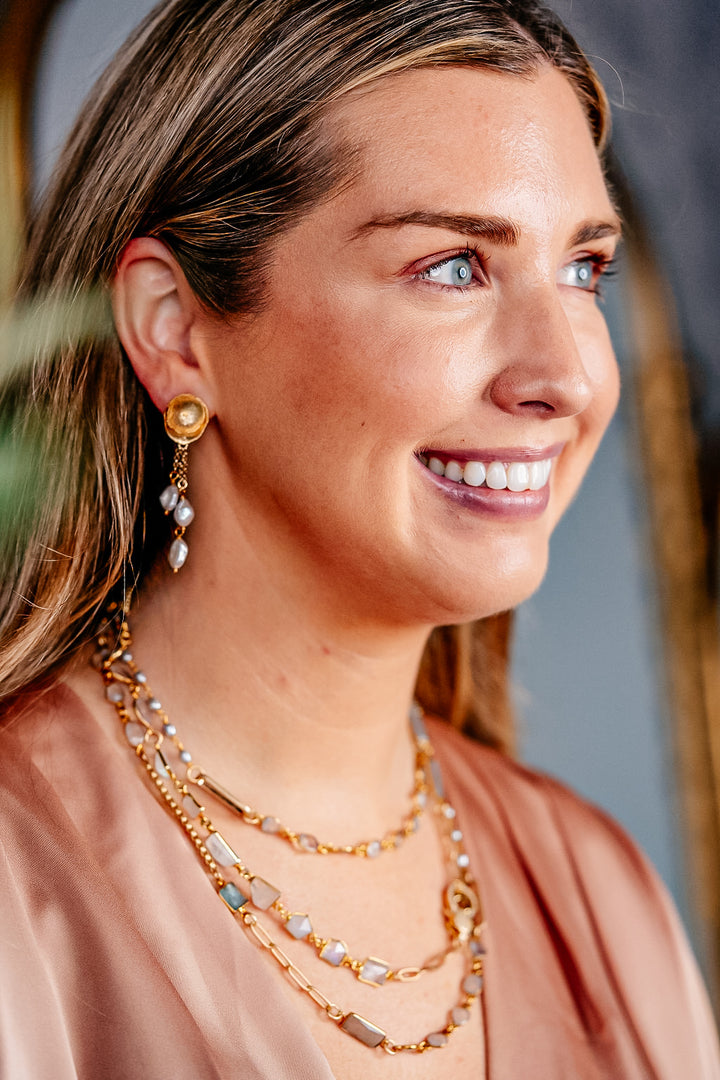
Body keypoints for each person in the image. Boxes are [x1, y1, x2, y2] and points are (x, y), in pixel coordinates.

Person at [0, 0, 717, 1076]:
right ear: (175, 330)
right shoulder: (21, 886)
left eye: (584, 270)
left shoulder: (600, 897)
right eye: (454, 266)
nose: (566, 377)